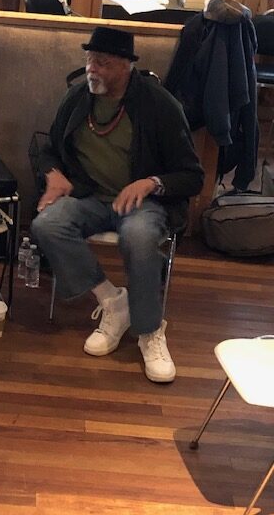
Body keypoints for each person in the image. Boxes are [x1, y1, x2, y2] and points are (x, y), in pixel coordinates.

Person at [31, 27, 204, 383]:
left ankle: (150, 331)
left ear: (126, 66)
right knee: (47, 224)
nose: (92, 69)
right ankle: (113, 303)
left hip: (144, 203)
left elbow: (192, 176)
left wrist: (151, 181)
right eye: (90, 60)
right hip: (90, 196)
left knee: (138, 237)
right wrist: (53, 174)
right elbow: (48, 148)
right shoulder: (77, 98)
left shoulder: (159, 105)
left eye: (103, 63)